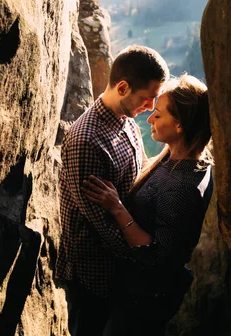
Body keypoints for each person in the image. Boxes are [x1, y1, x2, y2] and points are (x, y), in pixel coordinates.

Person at [82, 74, 214, 336]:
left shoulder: (183, 186)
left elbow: (158, 257)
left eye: (159, 115)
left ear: (179, 126)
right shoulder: (172, 160)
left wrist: (117, 209)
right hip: (136, 292)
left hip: (145, 300)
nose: (150, 118)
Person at [55, 45, 170, 336]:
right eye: (147, 99)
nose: (150, 108)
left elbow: (140, 170)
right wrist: (146, 256)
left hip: (121, 262)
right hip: (94, 271)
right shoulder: (87, 141)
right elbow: (101, 225)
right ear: (122, 87)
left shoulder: (126, 121)